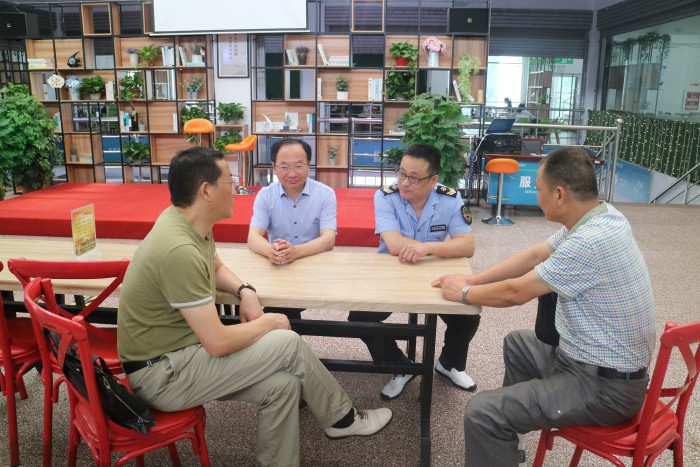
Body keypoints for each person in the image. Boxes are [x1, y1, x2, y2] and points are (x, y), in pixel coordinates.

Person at [117, 147, 392, 467]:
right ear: (206, 191)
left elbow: (217, 267)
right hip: (162, 376)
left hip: (179, 356)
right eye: (229, 181)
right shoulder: (178, 248)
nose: (237, 188)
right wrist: (270, 322)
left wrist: (245, 290)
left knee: (284, 386)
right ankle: (342, 419)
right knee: (287, 341)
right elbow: (217, 342)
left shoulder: (186, 222)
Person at [431, 147, 655, 466]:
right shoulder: (603, 216)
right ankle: (512, 450)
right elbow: (535, 255)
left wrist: (464, 293)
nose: (537, 196)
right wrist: (473, 279)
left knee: (483, 412)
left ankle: (501, 434)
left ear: (559, 194)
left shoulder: (588, 242)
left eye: (538, 189)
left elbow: (516, 293)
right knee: (519, 343)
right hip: (591, 364)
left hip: (605, 389)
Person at [348, 143, 481, 400]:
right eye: (401, 173)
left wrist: (426, 247)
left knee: (468, 315)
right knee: (359, 319)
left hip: (433, 273)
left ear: (433, 180)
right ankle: (398, 364)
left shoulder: (449, 199)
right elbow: (394, 244)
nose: (404, 182)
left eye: (414, 177)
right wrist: (439, 248)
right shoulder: (385, 197)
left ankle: (449, 363)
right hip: (391, 273)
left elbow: (467, 246)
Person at [248, 138, 336, 320]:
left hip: (314, 264)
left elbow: (328, 239)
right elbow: (253, 237)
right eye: (284, 167)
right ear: (274, 167)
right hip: (279, 265)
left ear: (309, 165)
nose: (292, 173)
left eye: (299, 166)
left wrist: (296, 252)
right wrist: (270, 251)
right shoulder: (265, 195)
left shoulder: (325, 194)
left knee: (280, 313)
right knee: (271, 308)